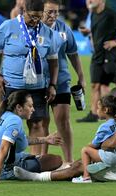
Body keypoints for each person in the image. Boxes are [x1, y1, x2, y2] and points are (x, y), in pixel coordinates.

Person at [13, 87, 116, 182]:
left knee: (80, 167)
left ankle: (36, 177)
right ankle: (65, 168)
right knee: (82, 162)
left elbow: (112, 143)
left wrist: (102, 145)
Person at [0, 0, 60, 155]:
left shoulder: (47, 33)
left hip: (37, 87)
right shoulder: (8, 26)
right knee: (6, 123)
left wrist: (52, 84)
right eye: (32, 16)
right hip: (12, 85)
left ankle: (34, 161)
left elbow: (54, 62)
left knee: (36, 124)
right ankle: (2, 158)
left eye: (39, 17)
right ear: (23, 11)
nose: (35, 21)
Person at [0, 90, 63, 184]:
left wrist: (46, 139)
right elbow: (3, 148)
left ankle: (32, 165)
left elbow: (22, 139)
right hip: (8, 169)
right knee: (56, 160)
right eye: (30, 106)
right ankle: (34, 176)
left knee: (45, 159)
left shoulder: (3, 115)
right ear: (19, 107)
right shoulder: (15, 121)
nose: (33, 109)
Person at [41, 0, 86, 164]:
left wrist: (81, 76)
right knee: (41, 122)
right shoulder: (33, 28)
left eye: (56, 12)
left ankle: (68, 161)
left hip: (60, 82)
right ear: (41, 10)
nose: (53, 15)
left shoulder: (64, 28)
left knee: (63, 120)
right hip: (37, 83)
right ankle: (41, 160)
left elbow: (73, 54)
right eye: (49, 12)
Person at [76, 0, 116, 123]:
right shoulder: (94, 14)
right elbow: (99, 31)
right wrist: (88, 32)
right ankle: (93, 114)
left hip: (109, 54)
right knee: (95, 85)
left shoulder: (111, 13)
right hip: (97, 55)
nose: (90, 1)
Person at [72, 95, 116, 183]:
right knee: (99, 150)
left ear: (105, 110)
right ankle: (101, 164)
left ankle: (86, 177)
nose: (96, 110)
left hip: (113, 158)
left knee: (85, 150)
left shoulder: (105, 126)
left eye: (98, 108)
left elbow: (95, 144)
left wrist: (88, 145)